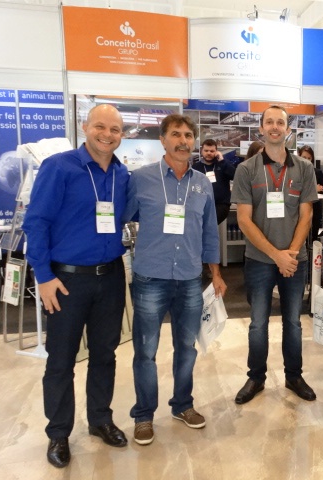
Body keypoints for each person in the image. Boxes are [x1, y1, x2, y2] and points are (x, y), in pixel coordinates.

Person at [22, 104, 129, 468]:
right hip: (66, 281)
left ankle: (100, 419)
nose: (107, 135)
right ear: (85, 127)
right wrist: (43, 275)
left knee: (105, 354)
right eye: (100, 126)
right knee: (61, 360)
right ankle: (58, 433)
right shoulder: (59, 167)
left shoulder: (122, 174)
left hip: (111, 277)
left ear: (122, 135)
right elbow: (36, 222)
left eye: (114, 129)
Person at [126, 114, 227, 446]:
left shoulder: (202, 183)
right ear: (163, 140)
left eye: (188, 135)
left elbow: (209, 232)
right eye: (175, 134)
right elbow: (121, 217)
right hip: (150, 278)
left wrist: (215, 273)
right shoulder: (141, 179)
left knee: (186, 347)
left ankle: (182, 404)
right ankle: (143, 415)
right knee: (145, 350)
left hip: (189, 278)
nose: (183, 141)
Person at [231, 105, 318, 404]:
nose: (274, 127)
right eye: (269, 122)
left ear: (288, 129)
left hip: (295, 261)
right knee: (258, 323)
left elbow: (306, 216)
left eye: (280, 122)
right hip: (259, 261)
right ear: (261, 128)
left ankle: (294, 376)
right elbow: (244, 220)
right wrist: (275, 255)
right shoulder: (247, 169)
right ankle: (256, 377)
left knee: (293, 322)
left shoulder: (304, 168)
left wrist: (289, 254)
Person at [192, 139, 236, 224]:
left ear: (216, 152)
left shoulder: (222, 164)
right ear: (201, 151)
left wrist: (222, 160)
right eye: (206, 151)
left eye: (212, 151)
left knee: (209, 224)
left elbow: (234, 175)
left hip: (221, 204)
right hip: (202, 204)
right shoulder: (196, 167)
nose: (209, 153)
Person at [298, 145, 323, 241]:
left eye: (309, 158)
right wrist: (313, 188)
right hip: (298, 209)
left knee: (313, 237)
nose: (307, 160)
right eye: (304, 157)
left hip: (315, 207)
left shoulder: (317, 172)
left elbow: (322, 189)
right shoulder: (294, 173)